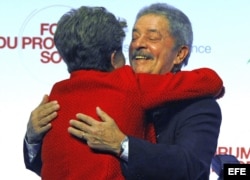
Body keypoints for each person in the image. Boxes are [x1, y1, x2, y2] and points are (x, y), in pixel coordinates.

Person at [23, 3, 224, 180]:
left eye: (152, 37)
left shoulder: (200, 107)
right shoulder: (117, 87)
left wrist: (123, 145)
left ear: (180, 54)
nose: (138, 44)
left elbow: (188, 167)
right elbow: (63, 164)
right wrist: (32, 138)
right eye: (135, 36)